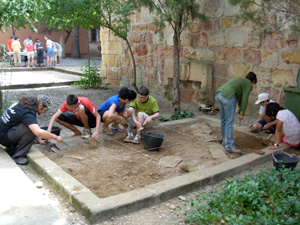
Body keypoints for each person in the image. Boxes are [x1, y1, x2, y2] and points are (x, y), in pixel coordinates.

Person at [0, 95, 64, 165]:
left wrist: (38, 140)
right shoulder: (27, 112)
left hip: (5, 133)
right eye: (45, 110)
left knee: (32, 125)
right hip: (4, 137)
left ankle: (11, 148)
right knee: (31, 130)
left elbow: (33, 122)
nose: (45, 112)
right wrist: (56, 137)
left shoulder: (23, 105)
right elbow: (38, 132)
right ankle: (18, 156)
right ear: (40, 105)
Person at [214, 72, 257, 154]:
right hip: (228, 96)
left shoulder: (241, 81)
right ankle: (229, 146)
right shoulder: (249, 84)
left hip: (219, 95)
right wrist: (242, 113)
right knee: (229, 122)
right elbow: (245, 98)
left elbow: (240, 97)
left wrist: (240, 109)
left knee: (224, 121)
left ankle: (225, 142)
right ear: (253, 81)